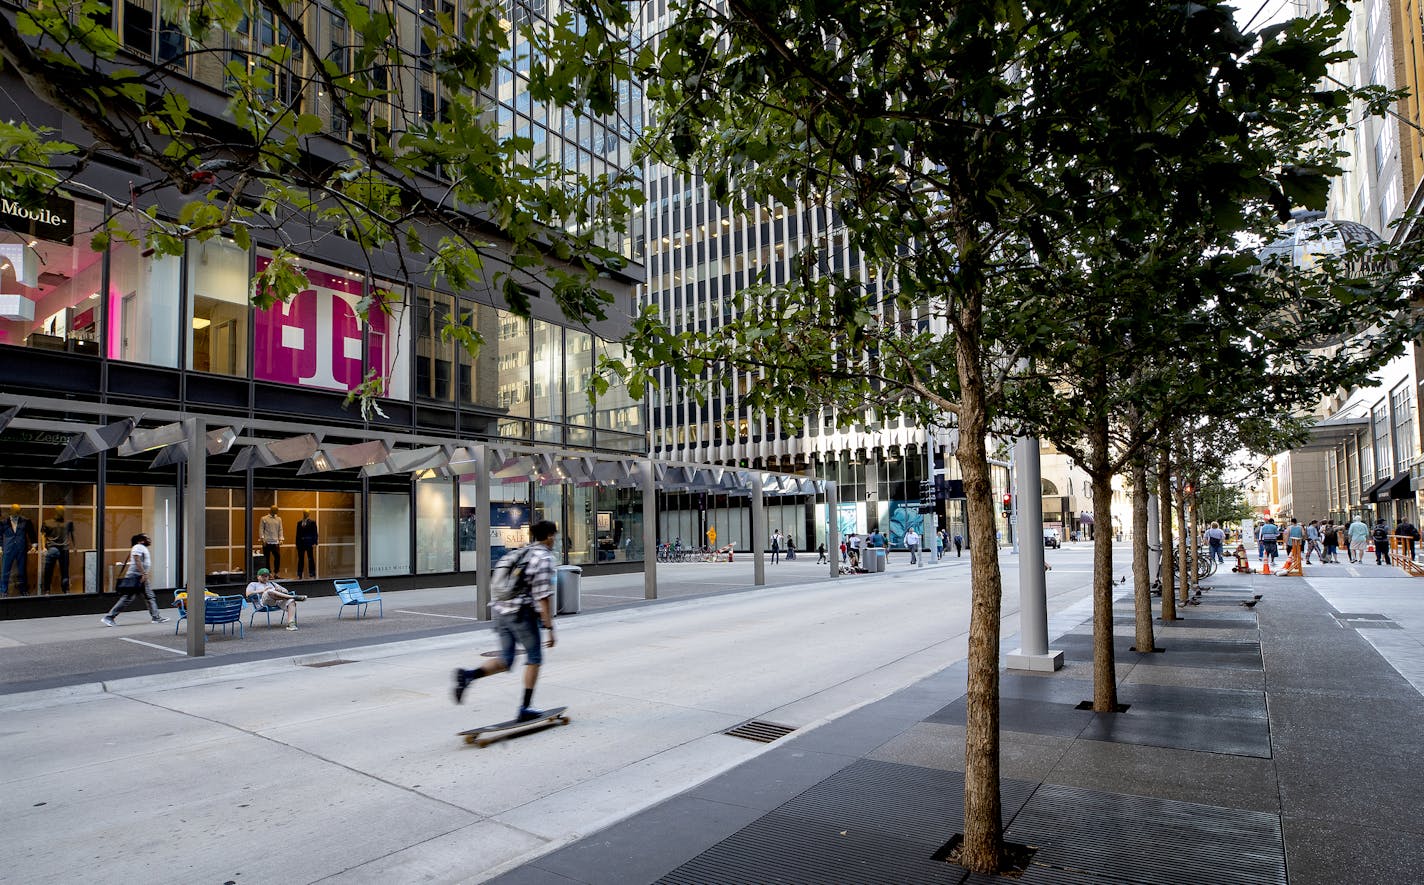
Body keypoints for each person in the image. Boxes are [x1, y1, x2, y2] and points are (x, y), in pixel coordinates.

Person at [453, 520, 558, 722]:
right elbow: (543, 597)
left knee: (506, 660)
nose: (556, 539)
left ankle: (468, 676)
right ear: (549, 536)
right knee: (535, 658)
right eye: (555, 535)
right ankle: (525, 708)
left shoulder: (521, 552)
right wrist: (550, 628)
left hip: (501, 611)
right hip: (521, 613)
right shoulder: (543, 558)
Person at [101, 533, 167, 626]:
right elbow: (137, 560)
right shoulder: (138, 547)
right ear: (140, 540)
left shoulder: (141, 547)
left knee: (148, 597)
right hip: (137, 576)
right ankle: (109, 617)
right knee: (129, 598)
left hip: (139, 576)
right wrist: (143, 573)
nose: (149, 540)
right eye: (146, 538)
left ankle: (156, 617)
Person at [1, 504, 37, 596]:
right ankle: (3, 591)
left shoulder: (26, 521)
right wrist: (0, 547)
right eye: (14, 511)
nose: (16, 513)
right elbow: (0, 535)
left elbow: (31, 533)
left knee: (22, 571)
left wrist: (34, 545)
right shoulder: (3, 522)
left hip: (21, 549)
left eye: (18, 511)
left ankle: (23, 590)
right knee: (5, 570)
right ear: (10, 511)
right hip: (8, 548)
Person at [39, 505, 75, 594]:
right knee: (49, 571)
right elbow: (43, 535)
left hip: (64, 548)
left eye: (62, 511)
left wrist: (74, 546)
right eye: (60, 511)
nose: (61, 513)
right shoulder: (47, 522)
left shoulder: (68, 523)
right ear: (56, 512)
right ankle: (47, 590)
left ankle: (65, 590)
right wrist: (43, 547)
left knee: (64, 571)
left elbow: (72, 534)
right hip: (52, 548)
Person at [259, 504, 284, 576]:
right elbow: (261, 529)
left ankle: (276, 572)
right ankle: (268, 573)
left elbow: (280, 529)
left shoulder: (279, 519)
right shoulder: (264, 518)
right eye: (276, 510)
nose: (277, 511)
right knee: (266, 558)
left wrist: (281, 539)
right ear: (271, 510)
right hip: (267, 541)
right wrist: (262, 539)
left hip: (275, 542)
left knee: (277, 557)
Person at [295, 510, 319, 579]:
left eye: (306, 513)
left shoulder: (312, 522)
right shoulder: (299, 523)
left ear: (308, 514)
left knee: (310, 558)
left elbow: (315, 533)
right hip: (301, 543)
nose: (305, 514)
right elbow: (297, 534)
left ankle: (312, 573)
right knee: (300, 559)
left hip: (309, 543)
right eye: (304, 513)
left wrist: (314, 542)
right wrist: (297, 543)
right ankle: (299, 574)